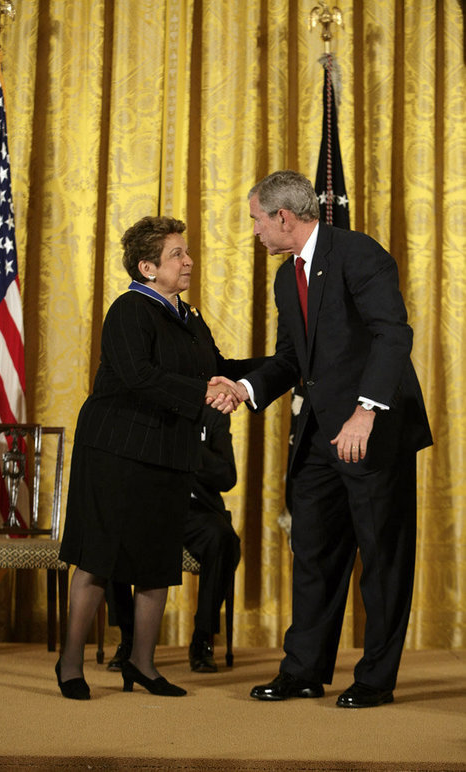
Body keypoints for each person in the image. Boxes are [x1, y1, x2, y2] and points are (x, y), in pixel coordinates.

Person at [209, 170, 432, 708]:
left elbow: (392, 334)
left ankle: (375, 679)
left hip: (372, 432)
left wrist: (365, 412)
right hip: (317, 438)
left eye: (257, 221)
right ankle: (304, 670)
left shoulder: (360, 254)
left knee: (382, 559)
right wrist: (244, 388)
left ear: (283, 217)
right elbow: (292, 361)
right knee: (312, 552)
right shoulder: (288, 278)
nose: (255, 232)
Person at [56, 215, 257, 700]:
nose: (188, 261)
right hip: (114, 451)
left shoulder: (187, 317)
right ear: (147, 267)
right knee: (97, 559)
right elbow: (138, 376)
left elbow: (218, 368)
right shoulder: (129, 310)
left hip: (168, 452)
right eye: (176, 255)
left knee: (156, 561)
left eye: (186, 253)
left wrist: (279, 368)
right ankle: (68, 664)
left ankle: (143, 665)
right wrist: (206, 389)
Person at [105, 405, 240, 674]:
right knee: (112, 537)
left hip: (195, 509)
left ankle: (203, 638)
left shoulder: (212, 414)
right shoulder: (147, 406)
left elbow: (227, 475)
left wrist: (187, 446)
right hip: (151, 506)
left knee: (224, 539)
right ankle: (129, 637)